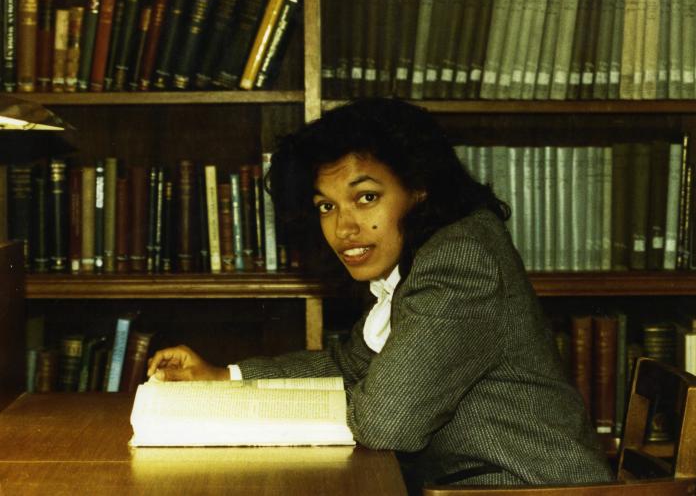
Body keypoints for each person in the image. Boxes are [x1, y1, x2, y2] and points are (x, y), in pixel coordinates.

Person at [147, 98, 613, 492]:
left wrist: (285, 410)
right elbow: (348, 365)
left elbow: (387, 422)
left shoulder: (460, 261)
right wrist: (225, 376)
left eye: (365, 197)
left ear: (418, 187)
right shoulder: (420, 256)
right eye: (326, 206)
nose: (344, 227)